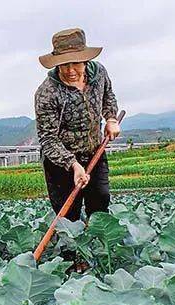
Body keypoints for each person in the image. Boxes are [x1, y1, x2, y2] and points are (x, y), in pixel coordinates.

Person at [35, 27, 121, 224]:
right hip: (61, 163)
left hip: (94, 152)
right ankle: (70, 253)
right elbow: (48, 139)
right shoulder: (47, 93)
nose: (70, 70)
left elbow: (108, 96)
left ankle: (97, 250)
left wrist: (110, 118)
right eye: (64, 64)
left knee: (100, 203)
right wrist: (73, 165)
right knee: (68, 216)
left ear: (85, 59)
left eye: (76, 63)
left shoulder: (98, 73)